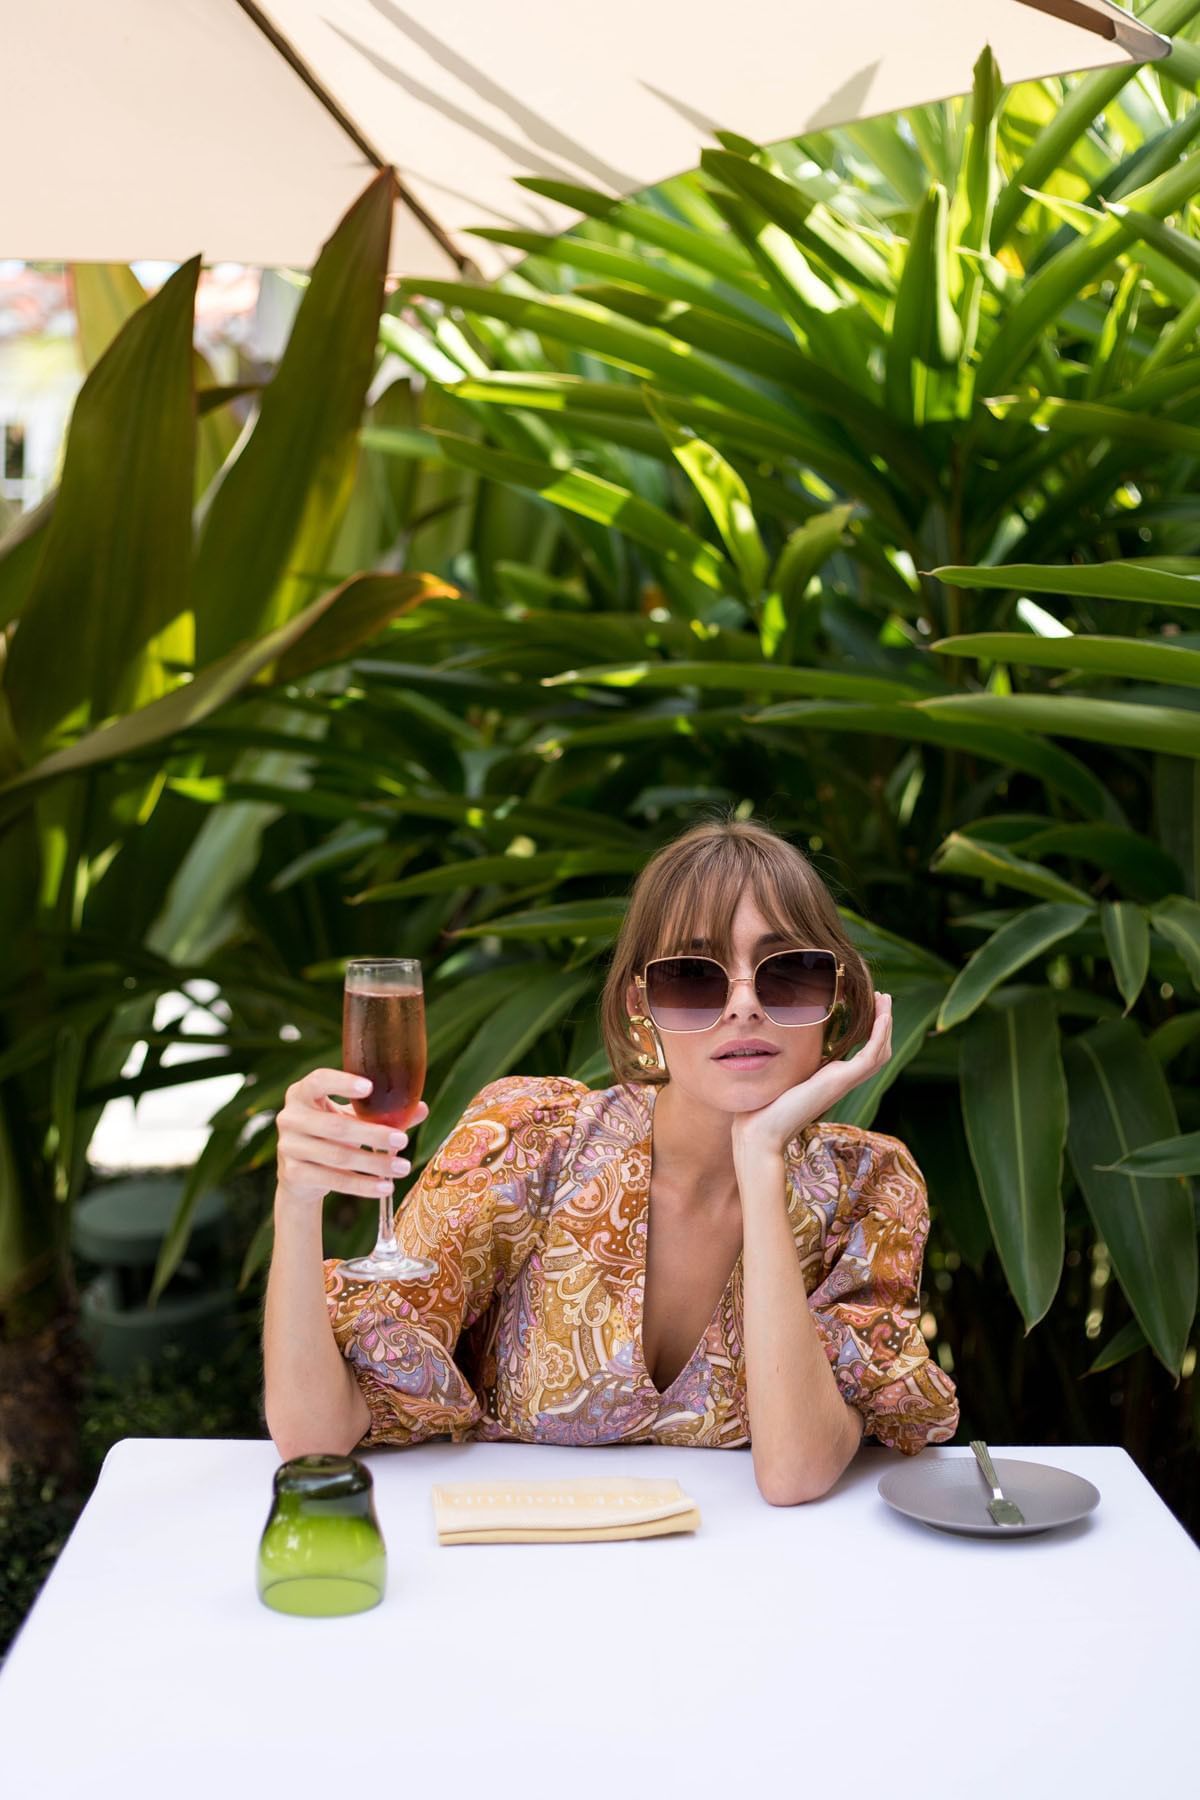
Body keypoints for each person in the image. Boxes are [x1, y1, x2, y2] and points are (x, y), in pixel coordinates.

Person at [262, 817, 959, 1503]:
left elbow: (795, 1474)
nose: (744, 1005)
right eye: (693, 977)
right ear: (640, 1007)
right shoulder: (533, 1142)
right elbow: (318, 1438)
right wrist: (296, 1197)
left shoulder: (868, 1189)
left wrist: (762, 1154)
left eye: (788, 976)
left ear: (836, 999)